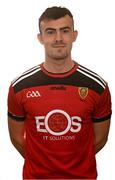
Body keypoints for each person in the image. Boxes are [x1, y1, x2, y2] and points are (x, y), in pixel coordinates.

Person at [8, 6, 112, 179]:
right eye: (50, 32)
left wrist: (77, 161)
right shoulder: (20, 87)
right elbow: (17, 138)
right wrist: (40, 162)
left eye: (64, 31)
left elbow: (100, 139)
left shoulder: (97, 86)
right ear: (40, 38)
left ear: (74, 35)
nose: (58, 38)